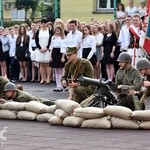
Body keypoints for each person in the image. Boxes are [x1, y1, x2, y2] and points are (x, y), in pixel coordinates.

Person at [35, 17, 53, 84]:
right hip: (40, 49)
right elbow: (36, 41)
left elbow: (51, 40)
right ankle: (43, 78)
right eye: (42, 22)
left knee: (47, 64)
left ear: (47, 23)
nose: (43, 24)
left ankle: (48, 78)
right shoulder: (38, 31)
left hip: (47, 49)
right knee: (41, 64)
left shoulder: (50, 31)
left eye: (45, 22)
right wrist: (40, 48)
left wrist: (47, 47)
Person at [49, 25, 66, 92]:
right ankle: (57, 85)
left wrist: (63, 57)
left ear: (61, 31)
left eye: (58, 31)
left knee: (60, 70)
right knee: (56, 70)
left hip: (60, 53)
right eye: (56, 31)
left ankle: (61, 85)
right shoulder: (53, 37)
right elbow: (51, 47)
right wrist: (50, 56)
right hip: (54, 53)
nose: (57, 32)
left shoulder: (63, 38)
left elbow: (63, 48)